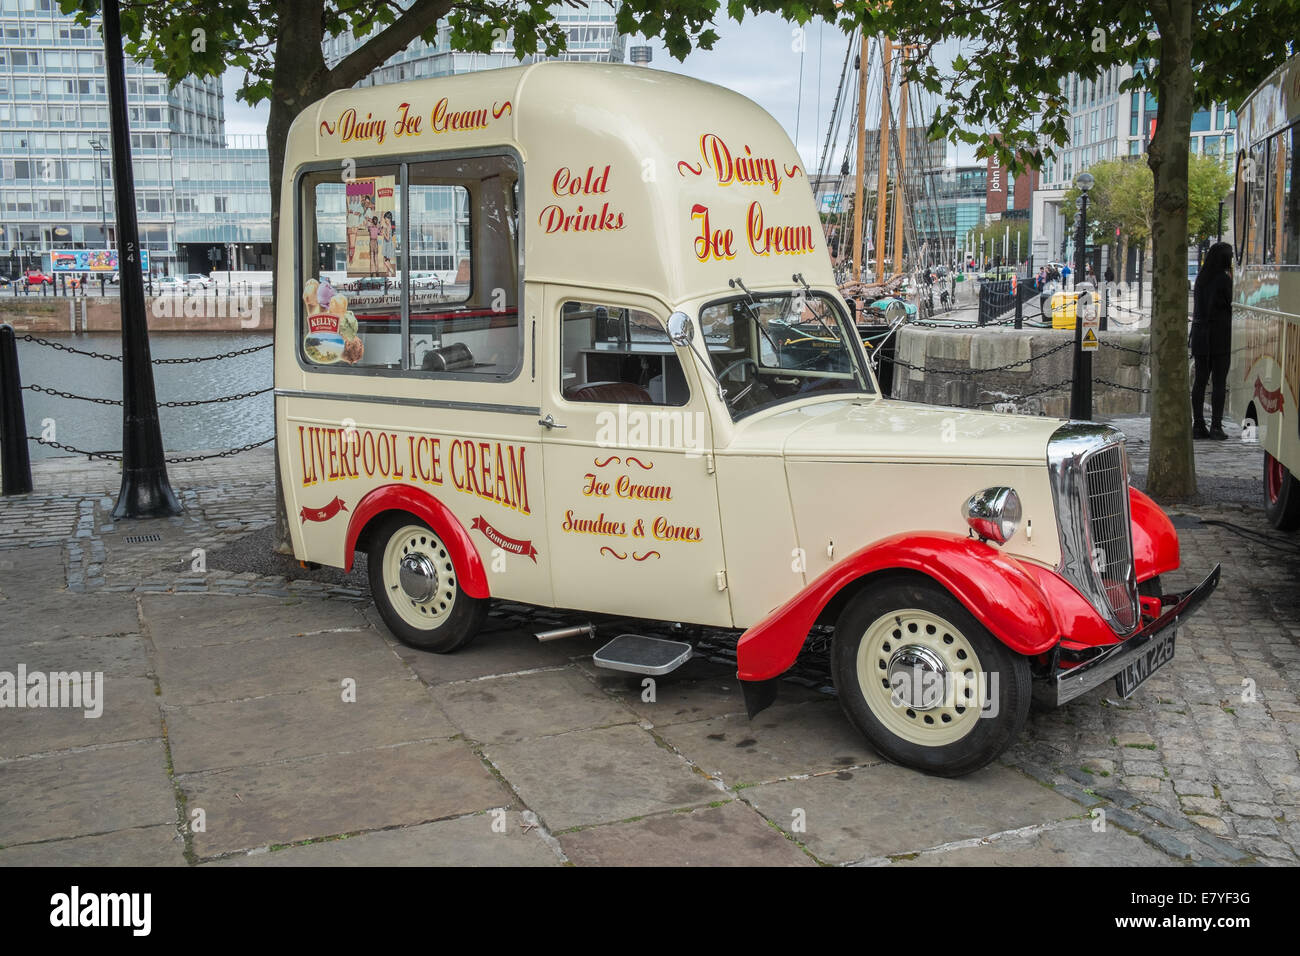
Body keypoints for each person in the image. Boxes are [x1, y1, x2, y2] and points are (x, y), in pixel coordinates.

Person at [1190, 241, 1234, 440]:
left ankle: (1198, 424)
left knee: (1200, 381)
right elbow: (1229, 304)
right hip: (1219, 335)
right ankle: (1216, 425)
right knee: (1218, 382)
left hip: (1200, 333)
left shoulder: (1201, 279)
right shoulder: (1224, 279)